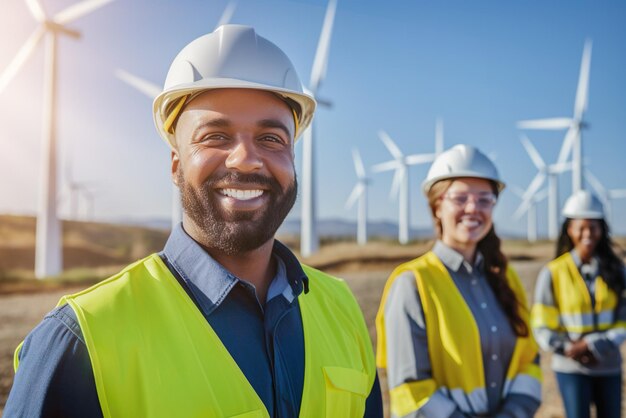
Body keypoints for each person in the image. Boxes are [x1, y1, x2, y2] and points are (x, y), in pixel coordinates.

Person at [5, 24, 382, 418]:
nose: (246, 159)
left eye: (272, 139)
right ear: (175, 165)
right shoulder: (81, 340)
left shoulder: (343, 308)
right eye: (215, 136)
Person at [376, 144, 542, 418]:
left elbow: (529, 362)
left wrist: (513, 413)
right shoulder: (412, 283)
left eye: (484, 199)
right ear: (437, 207)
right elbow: (411, 391)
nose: (473, 208)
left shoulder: (506, 277)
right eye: (460, 198)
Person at [531, 190, 626, 418]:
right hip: (569, 366)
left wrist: (593, 345)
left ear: (602, 229)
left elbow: (623, 321)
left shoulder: (617, 272)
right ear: (569, 230)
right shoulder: (553, 273)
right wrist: (566, 348)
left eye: (593, 227)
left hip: (608, 364)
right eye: (581, 227)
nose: (587, 234)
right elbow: (541, 324)